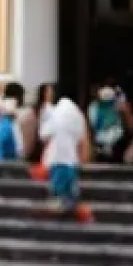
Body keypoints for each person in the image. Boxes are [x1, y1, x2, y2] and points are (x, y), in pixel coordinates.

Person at [39, 93, 93, 221]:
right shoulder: (78, 114)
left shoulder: (53, 112)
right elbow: (82, 140)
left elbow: (44, 135)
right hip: (71, 160)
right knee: (71, 191)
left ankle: (63, 215)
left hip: (56, 159)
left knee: (59, 193)